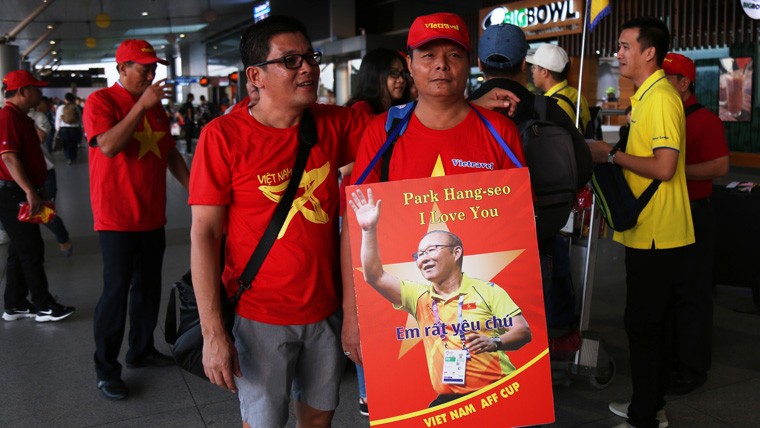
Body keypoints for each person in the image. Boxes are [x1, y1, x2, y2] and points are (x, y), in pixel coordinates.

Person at [189, 16, 369, 428]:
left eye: (309, 57)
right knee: (264, 423)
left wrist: (466, 106)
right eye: (290, 60)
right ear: (256, 76)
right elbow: (204, 234)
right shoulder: (224, 136)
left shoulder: (335, 123)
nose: (307, 67)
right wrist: (213, 333)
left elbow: (405, 129)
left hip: (324, 310)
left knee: (319, 418)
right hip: (258, 317)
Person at [341, 11, 526, 386]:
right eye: (427, 55)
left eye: (453, 55)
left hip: (482, 311)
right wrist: (352, 312)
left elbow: (517, 227)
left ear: (470, 64)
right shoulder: (382, 133)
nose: (441, 65)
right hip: (402, 314)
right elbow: (355, 228)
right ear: (409, 63)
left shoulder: (500, 131)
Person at [587, 18, 695, 428]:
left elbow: (665, 167)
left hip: (659, 233)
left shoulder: (662, 98)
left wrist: (608, 155)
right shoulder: (646, 96)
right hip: (647, 230)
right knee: (647, 322)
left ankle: (646, 415)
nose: (619, 53)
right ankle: (648, 403)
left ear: (650, 52)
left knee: (645, 325)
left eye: (625, 46)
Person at [348, 188, 531, 406]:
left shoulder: (489, 290)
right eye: (419, 254)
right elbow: (374, 276)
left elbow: (522, 331)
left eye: (431, 250)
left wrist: (494, 342)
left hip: (498, 392)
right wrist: (368, 230)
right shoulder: (419, 296)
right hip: (449, 402)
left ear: (456, 253)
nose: (423, 258)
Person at [83, 39, 190, 401]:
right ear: (122, 69)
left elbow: (170, 153)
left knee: (148, 288)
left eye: (153, 67)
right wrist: (141, 107)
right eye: (143, 67)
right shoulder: (101, 102)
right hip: (115, 218)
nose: (151, 73)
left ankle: (141, 349)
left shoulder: (155, 107)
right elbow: (109, 145)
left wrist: (196, 193)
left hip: (151, 215)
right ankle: (106, 368)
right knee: (115, 292)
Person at [469, 23, 592, 328]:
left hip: (469, 249)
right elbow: (582, 170)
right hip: (537, 241)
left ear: (480, 64)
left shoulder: (458, 112)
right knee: (531, 334)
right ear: (524, 64)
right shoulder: (548, 110)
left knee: (472, 336)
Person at [341, 46, 413, 417]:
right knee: (367, 300)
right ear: (374, 76)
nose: (399, 79)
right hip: (361, 216)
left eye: (403, 72)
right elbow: (355, 166)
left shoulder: (400, 113)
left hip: (390, 216)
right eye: (391, 73)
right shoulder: (362, 113)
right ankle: (369, 392)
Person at [662, 52, 729, 395]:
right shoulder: (664, 115)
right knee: (672, 291)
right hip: (667, 213)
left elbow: (720, 167)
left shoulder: (705, 120)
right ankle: (672, 359)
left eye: (667, 77)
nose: (660, 83)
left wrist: (673, 171)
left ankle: (692, 368)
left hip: (695, 211)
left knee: (693, 293)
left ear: (684, 83)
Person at [0, 70, 76, 323]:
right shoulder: (8, 117)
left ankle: (15, 304)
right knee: (31, 248)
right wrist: (29, 190)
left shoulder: (21, 117)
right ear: (22, 92)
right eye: (35, 89)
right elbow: (9, 157)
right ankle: (43, 305)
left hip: (18, 190)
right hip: (12, 193)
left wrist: (37, 187)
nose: (39, 94)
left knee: (18, 249)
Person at [28, 96, 73, 256]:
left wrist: (24, 120)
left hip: (44, 171)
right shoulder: (5, 116)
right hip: (19, 174)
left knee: (45, 210)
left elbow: (41, 138)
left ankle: (63, 238)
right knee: (21, 212)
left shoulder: (38, 117)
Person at [527, 44, 591, 133]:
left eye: (534, 67)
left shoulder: (550, 105)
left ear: (544, 72)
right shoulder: (577, 94)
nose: (532, 72)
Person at [54, 92, 83, 165]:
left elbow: (58, 119)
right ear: (73, 99)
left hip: (64, 129)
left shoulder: (61, 107)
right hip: (75, 128)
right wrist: (81, 126)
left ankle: (68, 158)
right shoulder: (76, 107)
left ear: (65, 99)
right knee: (74, 144)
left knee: (66, 144)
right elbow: (80, 118)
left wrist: (57, 129)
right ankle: (74, 157)